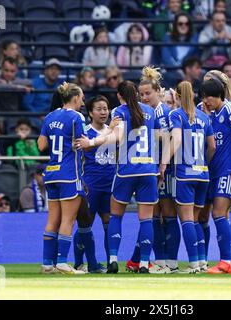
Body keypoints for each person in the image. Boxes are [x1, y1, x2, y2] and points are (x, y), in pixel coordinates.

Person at [76, 81, 158, 274]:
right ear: (137, 94)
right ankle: (144, 263)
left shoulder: (120, 112)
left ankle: (113, 260)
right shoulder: (150, 111)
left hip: (126, 171)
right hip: (148, 171)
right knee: (146, 220)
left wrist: (92, 142)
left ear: (119, 96)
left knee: (116, 216)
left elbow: (117, 138)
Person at [159, 81, 215, 274]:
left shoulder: (176, 115)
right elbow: (212, 146)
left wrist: (164, 162)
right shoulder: (204, 117)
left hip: (184, 174)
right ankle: (201, 262)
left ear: (178, 97)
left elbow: (177, 139)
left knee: (186, 220)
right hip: (203, 174)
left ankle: (192, 264)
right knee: (197, 219)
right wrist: (204, 163)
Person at [131, 66, 180, 274]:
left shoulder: (163, 112)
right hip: (150, 168)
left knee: (167, 213)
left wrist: (163, 164)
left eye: (147, 93)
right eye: (141, 94)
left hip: (165, 169)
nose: (144, 97)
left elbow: (172, 139)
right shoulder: (144, 112)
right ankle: (161, 261)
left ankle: (170, 261)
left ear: (158, 91)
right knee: (155, 215)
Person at [38, 82, 88, 275]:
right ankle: (62, 262)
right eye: (82, 98)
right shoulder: (76, 117)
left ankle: (47, 264)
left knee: (53, 220)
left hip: (51, 173)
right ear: (75, 98)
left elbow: (41, 145)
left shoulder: (50, 117)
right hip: (69, 173)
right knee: (69, 219)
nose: (83, 101)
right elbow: (84, 143)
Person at [200, 77, 231, 274]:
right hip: (210, 172)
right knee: (206, 215)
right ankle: (203, 261)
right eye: (204, 97)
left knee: (218, 213)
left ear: (218, 95)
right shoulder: (206, 112)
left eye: (209, 97)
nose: (206, 101)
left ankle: (226, 261)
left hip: (227, 171)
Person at [72, 96, 116, 273]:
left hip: (110, 184)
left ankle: (110, 262)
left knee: (109, 223)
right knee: (85, 224)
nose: (104, 112)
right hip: (91, 185)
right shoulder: (85, 132)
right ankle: (83, 263)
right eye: (99, 109)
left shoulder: (114, 131)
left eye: (106, 108)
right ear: (90, 112)